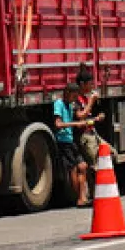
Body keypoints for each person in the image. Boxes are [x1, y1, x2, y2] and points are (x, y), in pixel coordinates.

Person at [50, 69, 103, 207]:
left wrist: (93, 119)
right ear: (67, 94)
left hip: (70, 140)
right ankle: (79, 199)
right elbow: (58, 123)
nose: (75, 101)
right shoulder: (59, 104)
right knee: (74, 168)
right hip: (63, 141)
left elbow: (79, 117)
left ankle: (82, 197)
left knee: (83, 166)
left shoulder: (69, 105)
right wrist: (76, 123)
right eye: (73, 97)